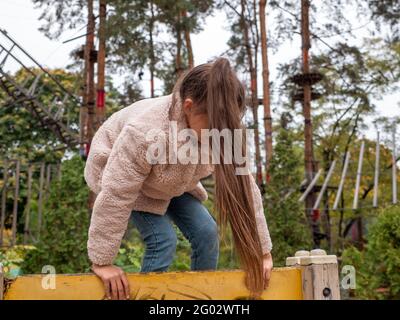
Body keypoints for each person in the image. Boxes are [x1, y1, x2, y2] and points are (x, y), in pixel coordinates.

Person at [84, 57, 273, 300]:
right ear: (188, 107)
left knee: (207, 232)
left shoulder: (223, 131)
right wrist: (102, 261)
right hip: (125, 178)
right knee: (163, 240)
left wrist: (263, 252)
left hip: (171, 180)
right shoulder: (145, 132)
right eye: (212, 128)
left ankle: (201, 298)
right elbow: (117, 193)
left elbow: (246, 190)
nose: (218, 136)